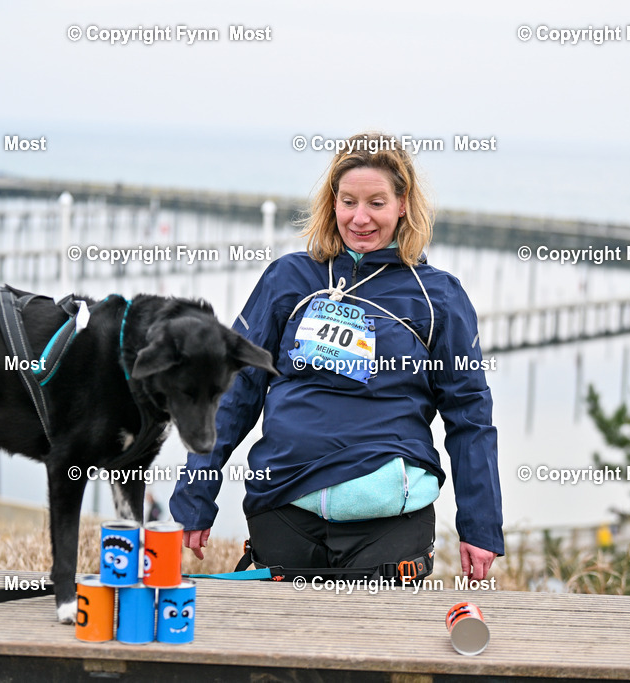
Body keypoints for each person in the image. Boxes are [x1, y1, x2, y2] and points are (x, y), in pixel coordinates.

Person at [170, 131, 502, 580]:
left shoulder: (438, 296)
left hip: (389, 521)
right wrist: (196, 491)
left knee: (371, 630)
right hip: (284, 507)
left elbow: (469, 412)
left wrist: (480, 524)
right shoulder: (289, 277)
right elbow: (235, 388)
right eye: (348, 202)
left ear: (403, 204)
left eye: (376, 203)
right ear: (332, 203)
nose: (360, 218)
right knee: (278, 630)